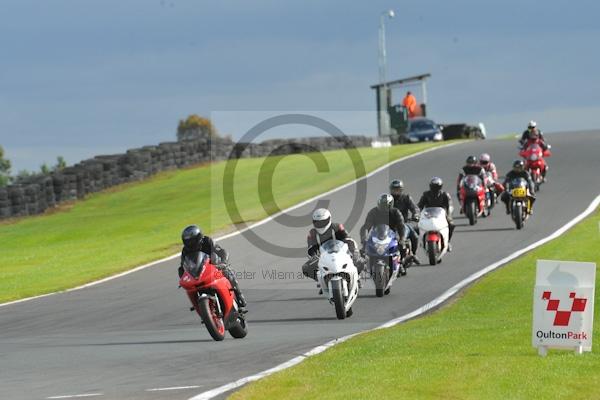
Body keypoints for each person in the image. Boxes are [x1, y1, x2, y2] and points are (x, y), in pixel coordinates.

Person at [179, 225, 247, 308]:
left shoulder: (207, 241)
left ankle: (239, 295)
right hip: (198, 273)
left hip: (214, 266)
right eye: (188, 242)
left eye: (193, 241)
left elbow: (222, 252)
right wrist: (183, 278)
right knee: (191, 288)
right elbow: (183, 266)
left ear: (199, 238)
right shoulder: (185, 250)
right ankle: (201, 308)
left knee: (227, 271)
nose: (191, 244)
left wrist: (223, 262)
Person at [303, 208, 365, 285]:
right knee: (306, 267)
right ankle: (322, 280)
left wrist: (354, 251)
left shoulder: (337, 227)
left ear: (329, 219)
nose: (320, 224)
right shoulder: (312, 233)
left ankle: (356, 277)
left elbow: (348, 239)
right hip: (324, 257)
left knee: (360, 260)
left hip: (341, 254)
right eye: (317, 222)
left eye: (323, 222)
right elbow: (311, 249)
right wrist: (314, 256)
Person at [360, 193, 408, 275]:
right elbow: (366, 226)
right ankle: (363, 267)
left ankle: (400, 263)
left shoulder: (396, 212)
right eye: (382, 205)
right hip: (376, 235)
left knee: (402, 247)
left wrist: (402, 238)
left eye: (386, 205)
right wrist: (364, 238)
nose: (384, 207)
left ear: (390, 205)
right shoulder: (373, 212)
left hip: (392, 235)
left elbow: (401, 226)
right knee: (363, 250)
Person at [417, 177, 455, 251]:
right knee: (416, 227)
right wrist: (417, 214)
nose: (435, 189)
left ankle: (448, 241)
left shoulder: (445, 195)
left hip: (441, 216)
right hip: (428, 215)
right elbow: (420, 205)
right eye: (434, 187)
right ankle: (422, 241)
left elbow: (449, 205)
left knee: (451, 225)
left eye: (437, 187)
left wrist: (449, 215)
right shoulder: (426, 194)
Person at [389, 179, 421, 264]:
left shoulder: (406, 198)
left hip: (404, 224)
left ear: (401, 190)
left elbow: (415, 208)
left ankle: (413, 254)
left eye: (398, 190)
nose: (396, 192)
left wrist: (416, 214)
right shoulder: (388, 199)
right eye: (394, 190)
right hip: (390, 225)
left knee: (415, 236)